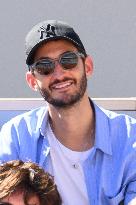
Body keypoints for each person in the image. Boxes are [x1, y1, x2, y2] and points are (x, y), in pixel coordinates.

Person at [0, 19, 136, 205]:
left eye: (68, 60)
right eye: (44, 66)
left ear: (87, 66)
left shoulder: (130, 138)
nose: (59, 74)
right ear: (32, 81)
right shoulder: (16, 136)